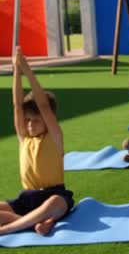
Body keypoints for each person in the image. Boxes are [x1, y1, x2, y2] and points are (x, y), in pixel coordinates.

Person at [0, 47, 74, 236]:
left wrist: (27, 70)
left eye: (36, 120)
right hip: (28, 198)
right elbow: (17, 105)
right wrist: (16, 70)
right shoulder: (24, 138)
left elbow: (43, 105)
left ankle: (9, 228)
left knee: (56, 203)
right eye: (27, 120)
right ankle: (34, 224)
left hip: (53, 194)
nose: (30, 124)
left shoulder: (54, 137)